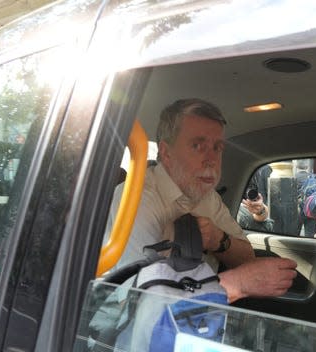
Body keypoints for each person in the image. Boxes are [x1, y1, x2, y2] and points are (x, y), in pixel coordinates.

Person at [106, 98, 297, 304]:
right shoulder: (138, 198)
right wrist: (235, 284)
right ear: (166, 152)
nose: (211, 159)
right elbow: (141, 300)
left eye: (217, 148)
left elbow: (247, 258)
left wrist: (218, 240)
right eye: (197, 146)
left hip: (201, 319)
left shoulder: (206, 195)